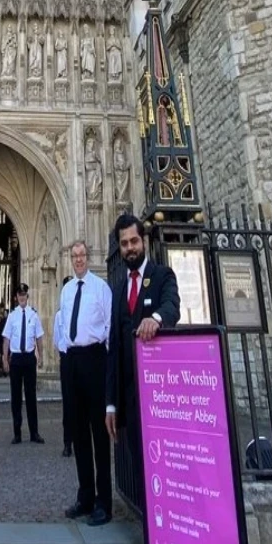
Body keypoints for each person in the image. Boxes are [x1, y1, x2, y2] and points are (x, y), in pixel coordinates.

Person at [105, 214, 181, 507]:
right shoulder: (119, 289)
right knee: (140, 466)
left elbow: (172, 305)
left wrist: (156, 319)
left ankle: (168, 530)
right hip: (130, 398)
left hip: (160, 395)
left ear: (144, 241)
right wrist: (111, 403)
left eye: (133, 241)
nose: (129, 248)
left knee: (165, 467)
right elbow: (113, 349)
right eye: (124, 244)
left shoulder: (162, 276)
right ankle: (151, 529)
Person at [60, 241, 113, 526]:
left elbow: (110, 328)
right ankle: (85, 496)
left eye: (82, 256)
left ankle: (104, 502)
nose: (78, 260)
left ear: (88, 258)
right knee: (78, 431)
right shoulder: (67, 291)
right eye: (74, 256)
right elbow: (64, 327)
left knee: (98, 433)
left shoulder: (101, 288)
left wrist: (105, 363)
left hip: (94, 358)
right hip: (72, 360)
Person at [2, 283, 45, 444]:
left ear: (27, 296)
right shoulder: (12, 316)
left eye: (24, 295)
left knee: (31, 395)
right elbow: (6, 338)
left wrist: (40, 356)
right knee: (16, 397)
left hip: (28, 358)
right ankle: (17, 433)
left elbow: (39, 337)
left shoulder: (34, 315)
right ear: (16, 297)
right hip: (16, 359)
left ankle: (34, 432)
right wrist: (4, 358)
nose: (22, 297)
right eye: (19, 295)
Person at [53, 275, 73, 458]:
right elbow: (56, 338)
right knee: (68, 403)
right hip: (67, 358)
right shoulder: (59, 314)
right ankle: (68, 443)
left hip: (83, 357)